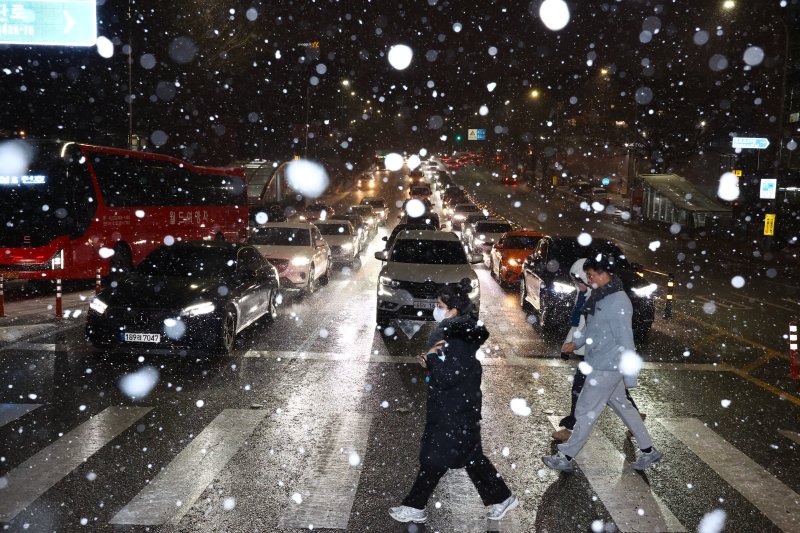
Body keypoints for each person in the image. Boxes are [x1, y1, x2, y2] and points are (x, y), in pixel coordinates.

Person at [389, 281, 519, 524]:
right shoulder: (458, 333)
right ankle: (502, 498)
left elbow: (449, 375)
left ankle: (415, 506)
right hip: (458, 407)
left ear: (453, 310)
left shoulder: (456, 338)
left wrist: (432, 361)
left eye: (440, 306)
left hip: (454, 410)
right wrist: (432, 361)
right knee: (467, 459)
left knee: (434, 459)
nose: (436, 310)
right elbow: (448, 370)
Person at [542, 255, 663, 472]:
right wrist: (576, 341)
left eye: (591, 275)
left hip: (607, 365)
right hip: (603, 361)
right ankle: (649, 451)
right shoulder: (602, 296)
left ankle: (566, 457)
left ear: (604, 274)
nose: (588, 280)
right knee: (625, 408)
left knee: (586, 410)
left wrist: (630, 376)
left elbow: (626, 339)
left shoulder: (617, 301)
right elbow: (594, 328)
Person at [551, 258, 645, 442]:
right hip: (596, 356)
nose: (578, 285)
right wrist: (573, 342)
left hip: (603, 357)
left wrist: (630, 375)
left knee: (583, 391)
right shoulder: (590, 295)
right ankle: (638, 427)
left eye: (582, 280)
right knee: (615, 396)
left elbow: (621, 337)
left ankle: (571, 431)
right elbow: (581, 325)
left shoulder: (603, 297)